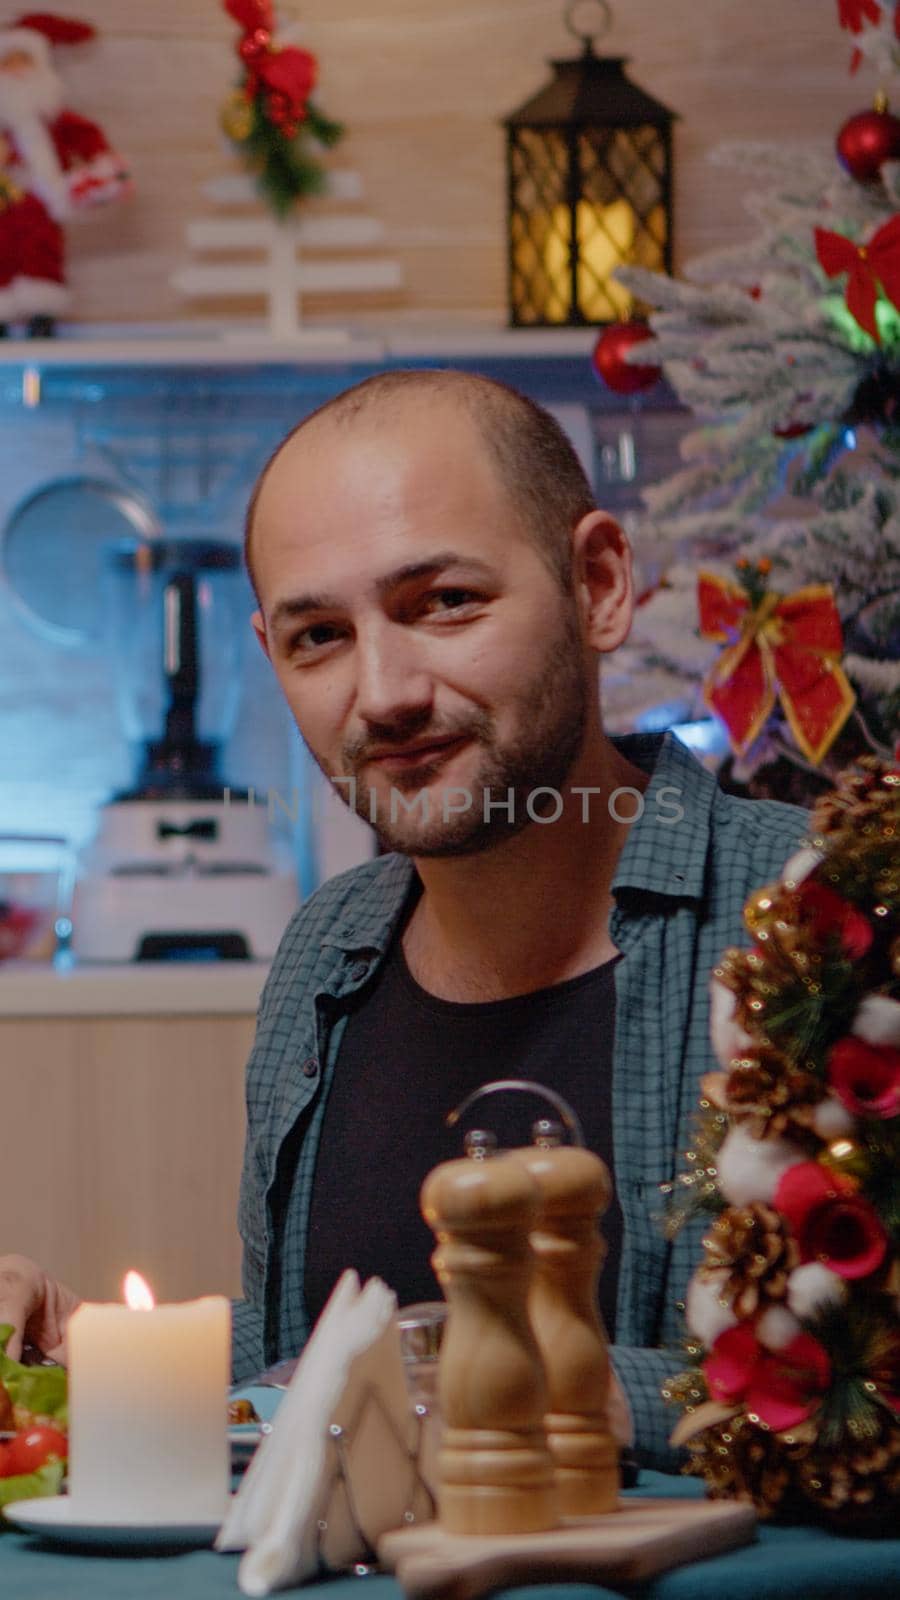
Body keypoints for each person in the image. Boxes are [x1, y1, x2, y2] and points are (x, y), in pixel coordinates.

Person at [0, 370, 806, 1468]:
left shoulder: (813, 921)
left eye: (444, 603)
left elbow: (863, 1389)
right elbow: (313, 1349)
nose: (383, 694)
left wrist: (470, 1386)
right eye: (319, 635)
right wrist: (93, 1356)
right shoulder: (326, 953)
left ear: (600, 585)